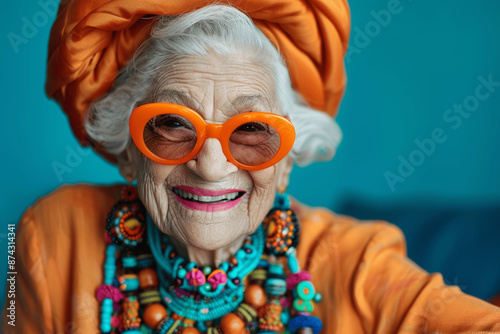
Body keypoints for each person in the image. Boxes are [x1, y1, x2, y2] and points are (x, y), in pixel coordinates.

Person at [2, 1, 500, 333]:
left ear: (286, 162)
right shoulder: (49, 236)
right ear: (129, 152)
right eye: (173, 124)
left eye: (251, 131)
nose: (212, 166)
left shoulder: (356, 263)